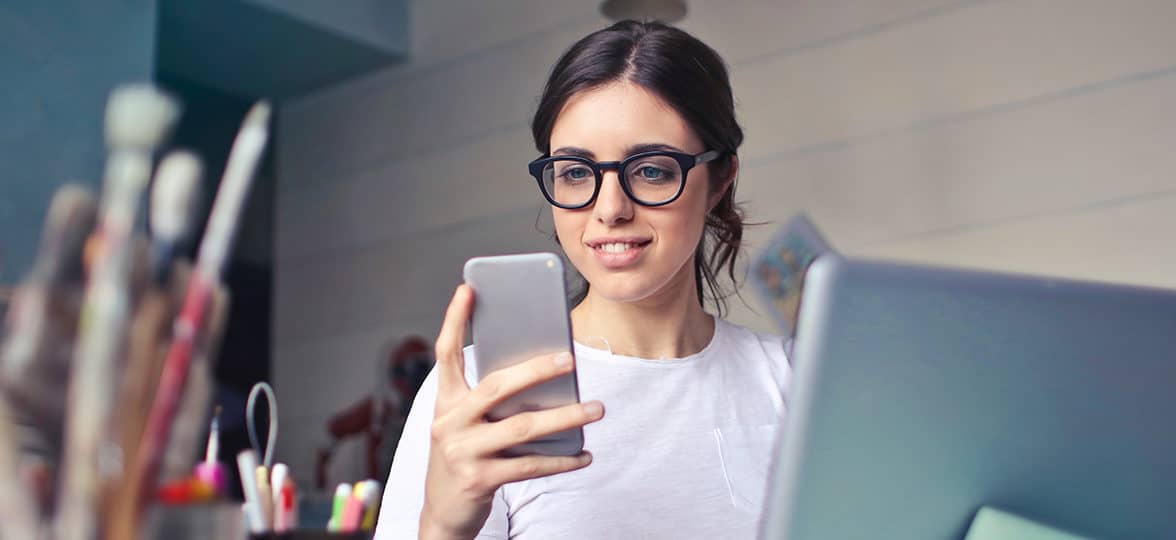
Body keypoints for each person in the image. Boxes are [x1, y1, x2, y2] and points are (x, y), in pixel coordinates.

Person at [375, 20, 791, 539]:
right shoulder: (482, 393)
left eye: (652, 170)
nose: (610, 209)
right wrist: (442, 524)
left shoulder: (793, 382)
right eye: (575, 173)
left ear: (719, 180)